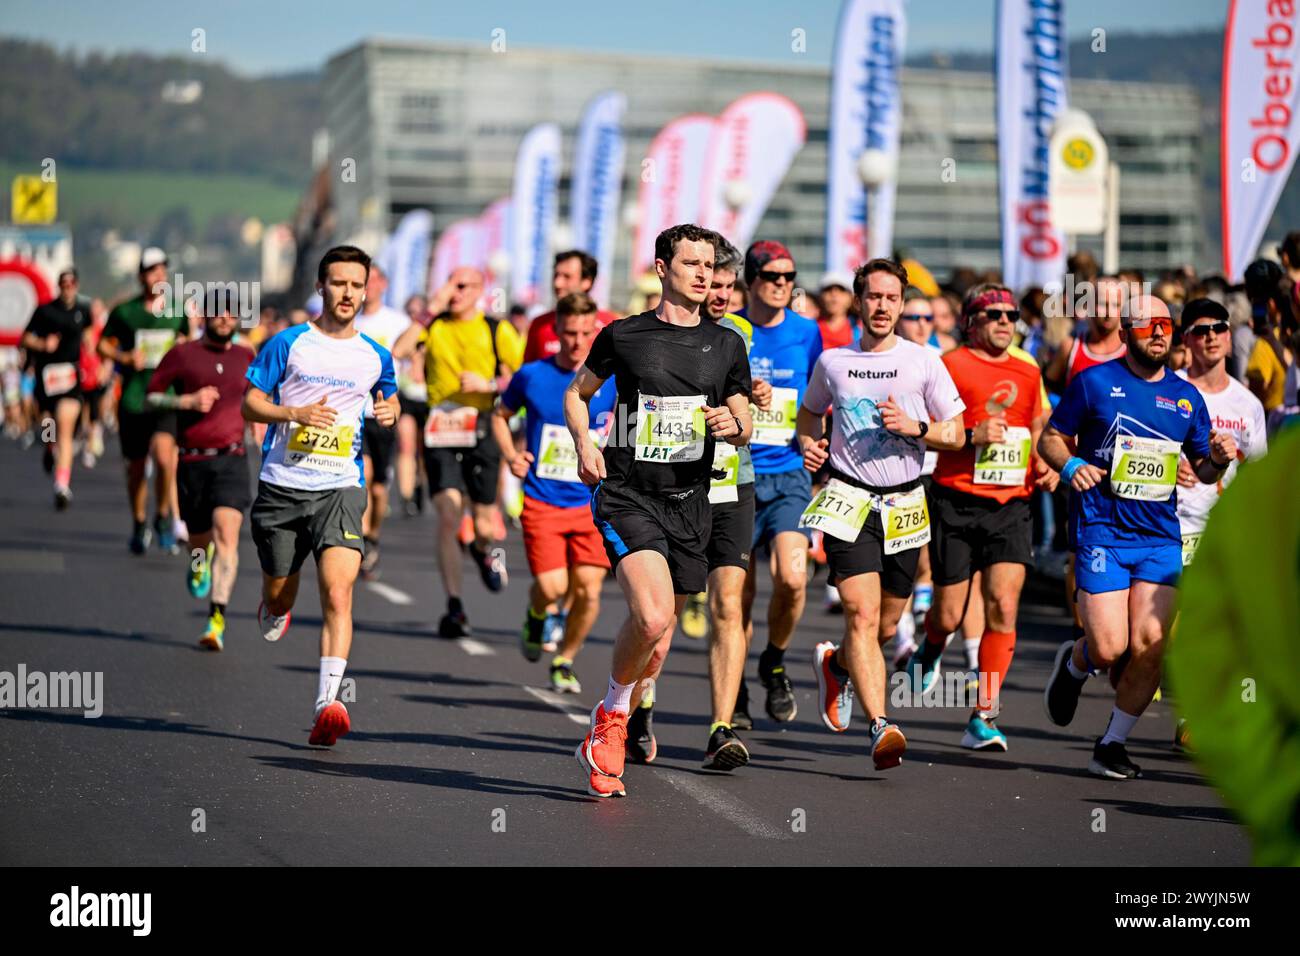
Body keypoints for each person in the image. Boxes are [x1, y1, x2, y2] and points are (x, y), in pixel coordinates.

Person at [566, 224, 752, 798]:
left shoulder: (726, 345)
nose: (703, 273)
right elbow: (578, 393)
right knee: (649, 618)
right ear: (662, 268)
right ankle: (612, 716)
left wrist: (733, 424)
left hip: (691, 502)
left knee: (663, 635)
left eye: (709, 264)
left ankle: (619, 713)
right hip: (628, 493)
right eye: (691, 263)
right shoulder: (623, 336)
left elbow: (744, 423)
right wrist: (584, 443)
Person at [1039, 294, 1237, 779]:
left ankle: (1110, 744)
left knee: (1151, 645)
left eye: (1166, 325)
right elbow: (1049, 438)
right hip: (1103, 531)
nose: (1158, 332)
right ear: (1125, 332)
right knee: (1109, 648)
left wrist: (1219, 457)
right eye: (1146, 325)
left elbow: (1206, 470)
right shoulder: (1093, 383)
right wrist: (1071, 465)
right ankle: (1075, 663)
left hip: (1159, 537)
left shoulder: (1186, 397)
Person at [801, 258, 966, 771]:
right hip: (849, 497)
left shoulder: (924, 361)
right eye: (873, 296)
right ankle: (881, 724)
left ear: (901, 303)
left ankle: (837, 664)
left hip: (905, 501)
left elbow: (957, 434)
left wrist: (915, 427)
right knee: (862, 613)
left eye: (892, 298)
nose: (882, 306)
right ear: (859, 299)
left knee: (888, 627)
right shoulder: (833, 362)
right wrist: (811, 443)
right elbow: (809, 414)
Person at [241, 245, 399, 746]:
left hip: (341, 488)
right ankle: (275, 605)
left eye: (357, 284)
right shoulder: (289, 343)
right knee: (279, 592)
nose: (348, 293)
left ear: (367, 288)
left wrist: (390, 411)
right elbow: (250, 404)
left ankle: (327, 703)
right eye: (339, 283)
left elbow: (387, 397)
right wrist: (294, 415)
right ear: (321, 286)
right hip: (283, 486)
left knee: (337, 591)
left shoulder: (375, 355)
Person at [906, 283, 1058, 750]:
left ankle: (983, 714)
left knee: (1004, 604)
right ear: (971, 321)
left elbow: (1038, 428)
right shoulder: (947, 365)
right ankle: (930, 648)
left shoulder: (1027, 371)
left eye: (1011, 315)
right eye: (993, 315)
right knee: (949, 614)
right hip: (955, 499)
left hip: (1012, 502)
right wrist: (971, 434)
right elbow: (920, 432)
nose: (1005, 322)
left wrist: (1047, 462)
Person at [492, 292, 616, 692]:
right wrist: (512, 455)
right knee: (553, 588)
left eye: (585, 332)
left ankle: (564, 659)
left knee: (589, 591)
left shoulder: (611, 380)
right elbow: (500, 415)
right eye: (569, 333)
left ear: (594, 330)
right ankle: (536, 612)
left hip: (592, 502)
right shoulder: (532, 375)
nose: (577, 341)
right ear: (556, 331)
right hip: (543, 499)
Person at [394, 267, 524, 638]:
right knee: (449, 516)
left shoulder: (496, 329)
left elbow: (523, 374)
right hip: (441, 429)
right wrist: (429, 309)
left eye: (462, 285)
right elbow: (400, 351)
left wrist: (489, 383)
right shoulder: (433, 326)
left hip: (482, 425)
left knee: (484, 523)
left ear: (480, 290)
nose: (454, 292)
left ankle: (482, 549)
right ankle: (454, 607)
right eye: (449, 284)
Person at [736, 240, 824, 726]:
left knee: (793, 578)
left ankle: (773, 659)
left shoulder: (808, 333)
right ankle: (736, 692)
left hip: (789, 473)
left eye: (790, 278)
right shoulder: (729, 330)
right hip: (736, 478)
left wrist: (816, 440)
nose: (783, 285)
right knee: (737, 597)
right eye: (773, 277)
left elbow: (820, 400)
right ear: (751, 281)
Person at [146, 289, 255, 650]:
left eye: (231, 313)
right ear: (205, 316)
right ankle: (197, 563)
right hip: (192, 460)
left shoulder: (246, 355)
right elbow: (150, 396)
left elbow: (261, 395)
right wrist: (186, 401)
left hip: (232, 458)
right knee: (200, 540)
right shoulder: (183, 354)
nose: (225, 318)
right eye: (218, 312)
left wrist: (263, 422)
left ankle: (216, 618)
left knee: (228, 534)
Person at [698, 239, 770, 767]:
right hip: (673, 484)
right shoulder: (655, 333)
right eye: (713, 284)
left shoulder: (740, 334)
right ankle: (642, 708)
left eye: (729, 287)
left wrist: (748, 407)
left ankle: (721, 727)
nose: (721, 295)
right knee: (666, 611)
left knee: (728, 602)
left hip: (732, 479)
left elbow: (742, 410)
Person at [99, 248, 188, 553]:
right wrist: (123, 356)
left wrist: (182, 348)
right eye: (152, 270)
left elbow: (189, 343)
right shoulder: (125, 312)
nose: (158, 275)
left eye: (162, 269)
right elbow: (101, 345)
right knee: (136, 467)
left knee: (165, 459)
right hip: (135, 398)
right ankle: (139, 522)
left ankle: (162, 515)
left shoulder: (177, 311)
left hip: (166, 398)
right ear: (140, 276)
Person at [352, 265, 412, 579]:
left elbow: (414, 353)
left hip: (384, 412)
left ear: (384, 284)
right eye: (366, 280)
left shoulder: (397, 321)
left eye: (375, 280)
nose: (370, 286)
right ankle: (359, 540)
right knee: (364, 475)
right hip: (354, 413)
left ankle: (373, 535)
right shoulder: (351, 320)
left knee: (378, 490)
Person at [22, 269, 94, 509]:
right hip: (47, 377)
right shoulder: (45, 311)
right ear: (59, 285)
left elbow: (89, 338)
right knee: (48, 427)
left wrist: (94, 362)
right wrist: (42, 344)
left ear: (77, 285)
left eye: (72, 282)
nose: (68, 287)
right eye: (64, 283)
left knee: (64, 426)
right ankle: (48, 448)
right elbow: (25, 338)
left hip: (70, 378)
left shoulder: (83, 311)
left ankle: (61, 486)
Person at [522, 251, 619, 363]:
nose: (557, 283)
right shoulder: (539, 324)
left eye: (567, 277)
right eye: (556, 275)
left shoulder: (610, 325)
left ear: (586, 282)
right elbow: (528, 374)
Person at [816, 271, 859, 350]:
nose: (834, 294)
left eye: (841, 290)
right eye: (828, 289)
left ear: (851, 298)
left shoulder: (862, 331)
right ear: (819, 297)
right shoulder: (809, 329)